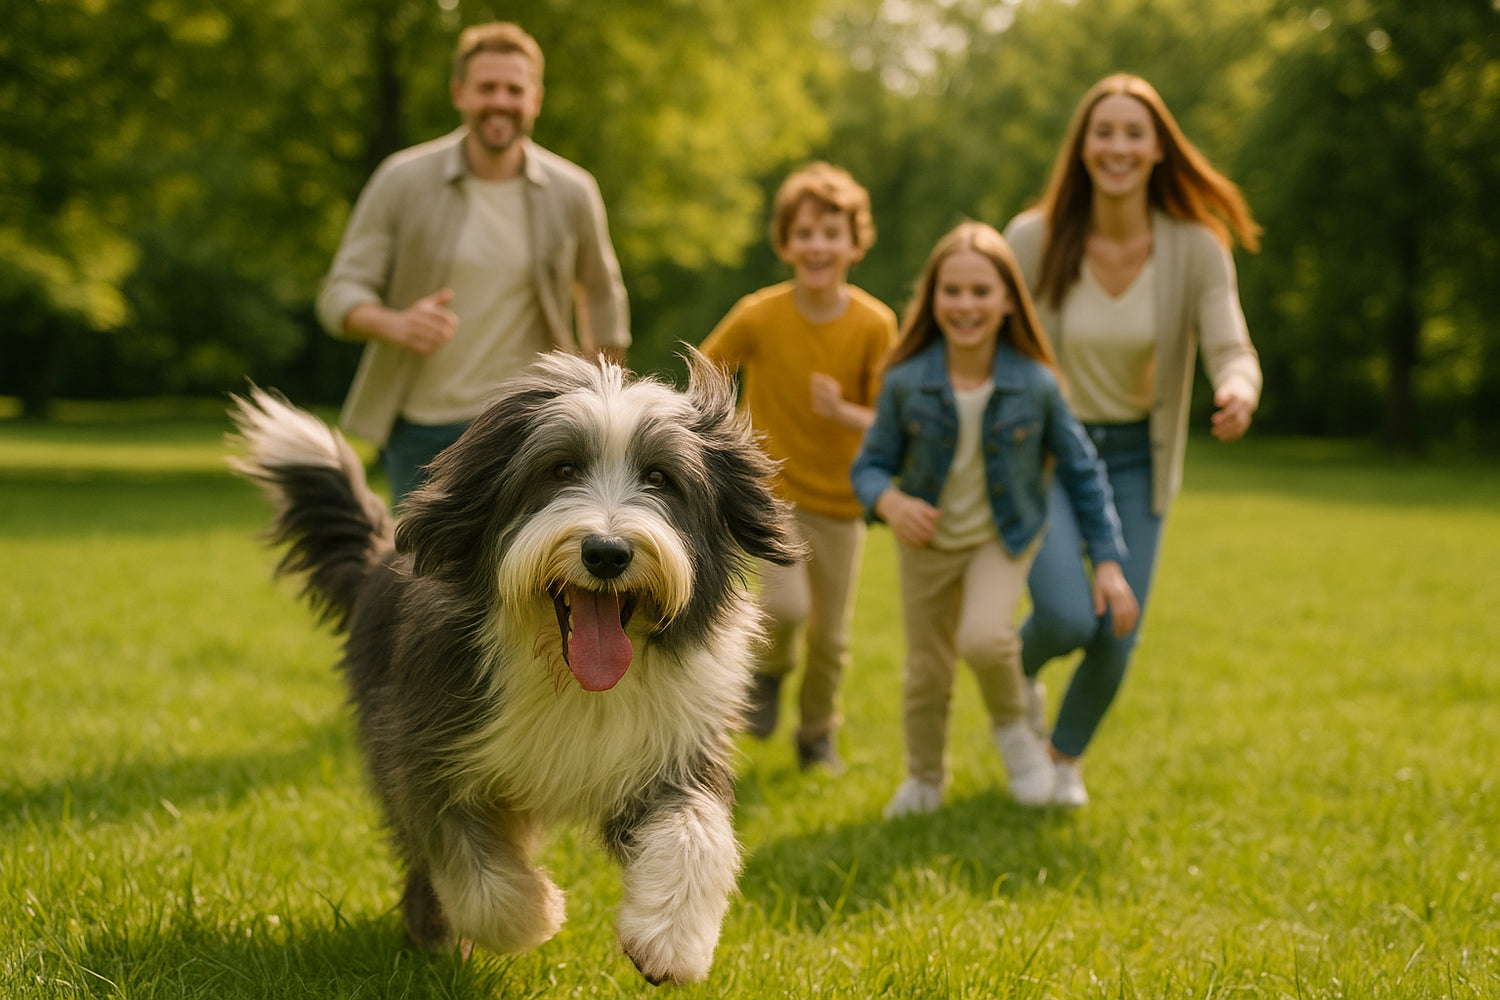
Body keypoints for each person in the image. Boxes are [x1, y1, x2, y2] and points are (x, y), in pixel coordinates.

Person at [1004, 73, 1263, 808]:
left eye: (1133, 133)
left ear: (1158, 149)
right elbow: (984, 330)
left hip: (1136, 458)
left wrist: (1238, 388)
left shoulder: (1196, 246)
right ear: (1083, 147)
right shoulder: (1034, 238)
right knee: (1064, 613)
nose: (1118, 146)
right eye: (1104, 131)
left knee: (1119, 626)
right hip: (1049, 454)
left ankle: (1063, 758)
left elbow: (1231, 344)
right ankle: (1010, 673)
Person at [850, 221, 1138, 817]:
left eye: (981, 291)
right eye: (951, 291)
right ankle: (925, 778)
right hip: (925, 545)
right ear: (932, 300)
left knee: (984, 638)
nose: (966, 305)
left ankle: (1016, 735)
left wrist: (1107, 561)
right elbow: (870, 467)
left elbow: (1083, 472)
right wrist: (890, 502)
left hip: (1001, 538)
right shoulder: (906, 382)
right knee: (927, 672)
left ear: (1009, 300)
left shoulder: (1037, 384)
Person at [316, 21, 630, 506]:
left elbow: (603, 297)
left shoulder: (573, 191)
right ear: (459, 93)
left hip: (534, 425)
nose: (500, 102)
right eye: (487, 88)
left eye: (514, 89)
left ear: (535, 99)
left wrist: (604, 403)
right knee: (422, 578)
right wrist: (395, 323)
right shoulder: (403, 180)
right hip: (425, 430)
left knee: (530, 579)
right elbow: (341, 293)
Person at [700, 162, 898, 773]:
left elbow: (892, 422)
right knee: (786, 611)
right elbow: (705, 377)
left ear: (855, 243)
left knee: (831, 640)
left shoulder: (873, 323)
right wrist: (721, 440)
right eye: (805, 233)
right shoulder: (759, 313)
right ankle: (768, 672)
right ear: (785, 242)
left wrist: (844, 411)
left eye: (831, 232)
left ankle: (816, 736)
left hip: (842, 502)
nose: (818, 245)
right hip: (772, 495)